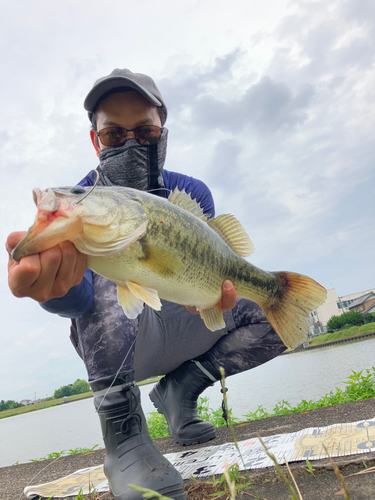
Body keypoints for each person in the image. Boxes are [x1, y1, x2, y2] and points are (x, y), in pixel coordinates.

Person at [6, 69, 286, 500]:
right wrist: (56, 288)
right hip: (121, 351)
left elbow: (207, 268)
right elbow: (81, 301)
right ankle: (125, 437)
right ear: (95, 141)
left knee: (272, 313)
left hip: (182, 322)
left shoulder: (191, 192)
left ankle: (180, 390)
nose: (130, 142)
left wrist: (207, 292)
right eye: (114, 134)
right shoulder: (81, 203)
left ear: (162, 133)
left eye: (145, 131)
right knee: (109, 278)